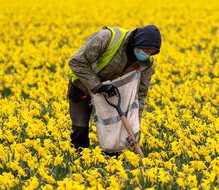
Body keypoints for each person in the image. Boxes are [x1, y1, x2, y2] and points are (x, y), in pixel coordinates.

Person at [67, 24, 161, 153]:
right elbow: (76, 62)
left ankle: (111, 165)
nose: (146, 54)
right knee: (80, 129)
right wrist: (97, 86)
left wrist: (135, 125)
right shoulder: (107, 38)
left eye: (151, 53)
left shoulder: (146, 63)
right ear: (136, 42)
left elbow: (141, 93)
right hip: (82, 86)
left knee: (115, 135)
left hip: (111, 94)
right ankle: (78, 162)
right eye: (144, 50)